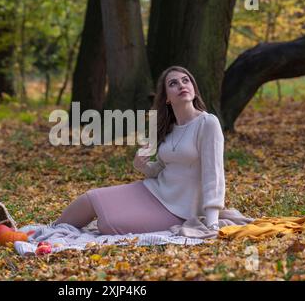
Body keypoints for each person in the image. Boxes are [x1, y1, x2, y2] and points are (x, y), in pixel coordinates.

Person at [53, 65, 225, 234]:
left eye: (185, 81)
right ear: (166, 98)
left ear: (193, 88)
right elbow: (161, 169)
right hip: (152, 190)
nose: (181, 85)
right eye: (173, 83)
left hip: (179, 211)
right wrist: (142, 166)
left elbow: (214, 176)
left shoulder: (207, 123)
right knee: (90, 199)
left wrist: (212, 224)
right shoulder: (168, 127)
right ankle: (45, 234)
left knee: (107, 224)